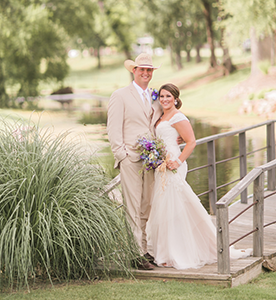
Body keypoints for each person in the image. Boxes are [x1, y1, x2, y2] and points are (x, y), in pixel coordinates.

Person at [146, 83, 252, 269]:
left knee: (173, 207)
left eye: (168, 97)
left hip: (173, 164)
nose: (164, 100)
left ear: (176, 99)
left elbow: (191, 142)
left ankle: (175, 253)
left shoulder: (178, 116)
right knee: (165, 208)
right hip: (161, 165)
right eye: (162, 96)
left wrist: (177, 161)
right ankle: (166, 252)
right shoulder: (161, 115)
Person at [107, 53, 162, 270]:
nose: (146, 74)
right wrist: (122, 155)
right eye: (142, 70)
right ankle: (134, 253)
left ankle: (144, 249)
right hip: (130, 158)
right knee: (132, 206)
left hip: (150, 159)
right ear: (134, 71)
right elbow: (113, 129)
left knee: (147, 206)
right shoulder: (120, 95)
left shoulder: (154, 97)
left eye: (149, 70)